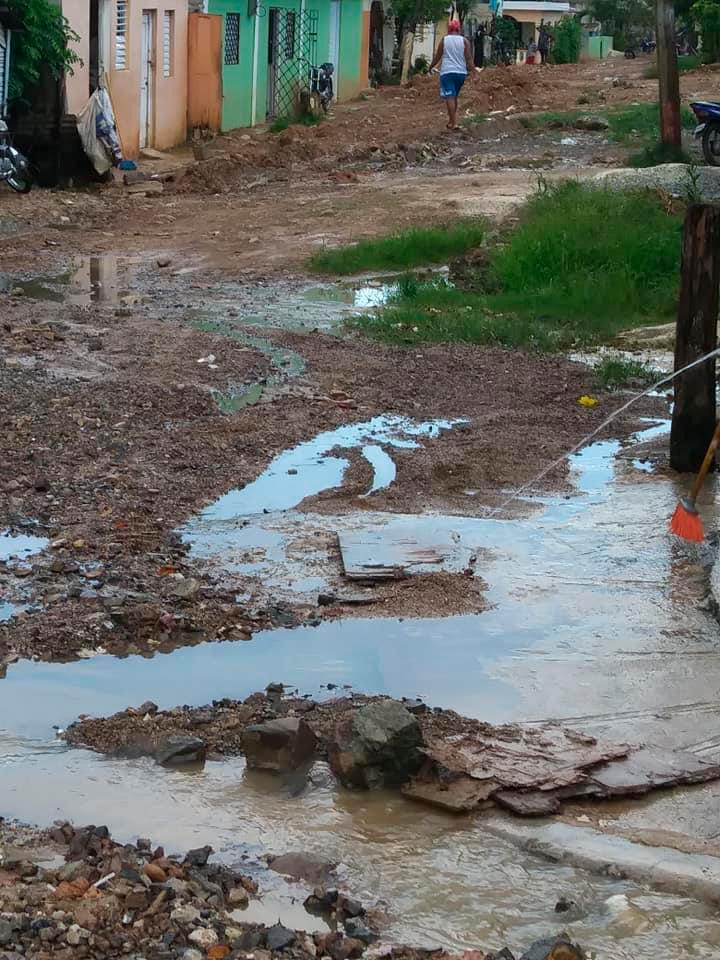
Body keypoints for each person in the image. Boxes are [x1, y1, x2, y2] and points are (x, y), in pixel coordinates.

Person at [429, 20, 478, 131]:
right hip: (461, 73)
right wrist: (474, 71)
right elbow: (469, 58)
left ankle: (454, 123)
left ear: (449, 29)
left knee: (450, 97)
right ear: (458, 29)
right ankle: (452, 121)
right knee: (454, 96)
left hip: (447, 72)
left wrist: (431, 66)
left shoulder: (444, 40)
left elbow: (438, 56)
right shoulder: (464, 41)